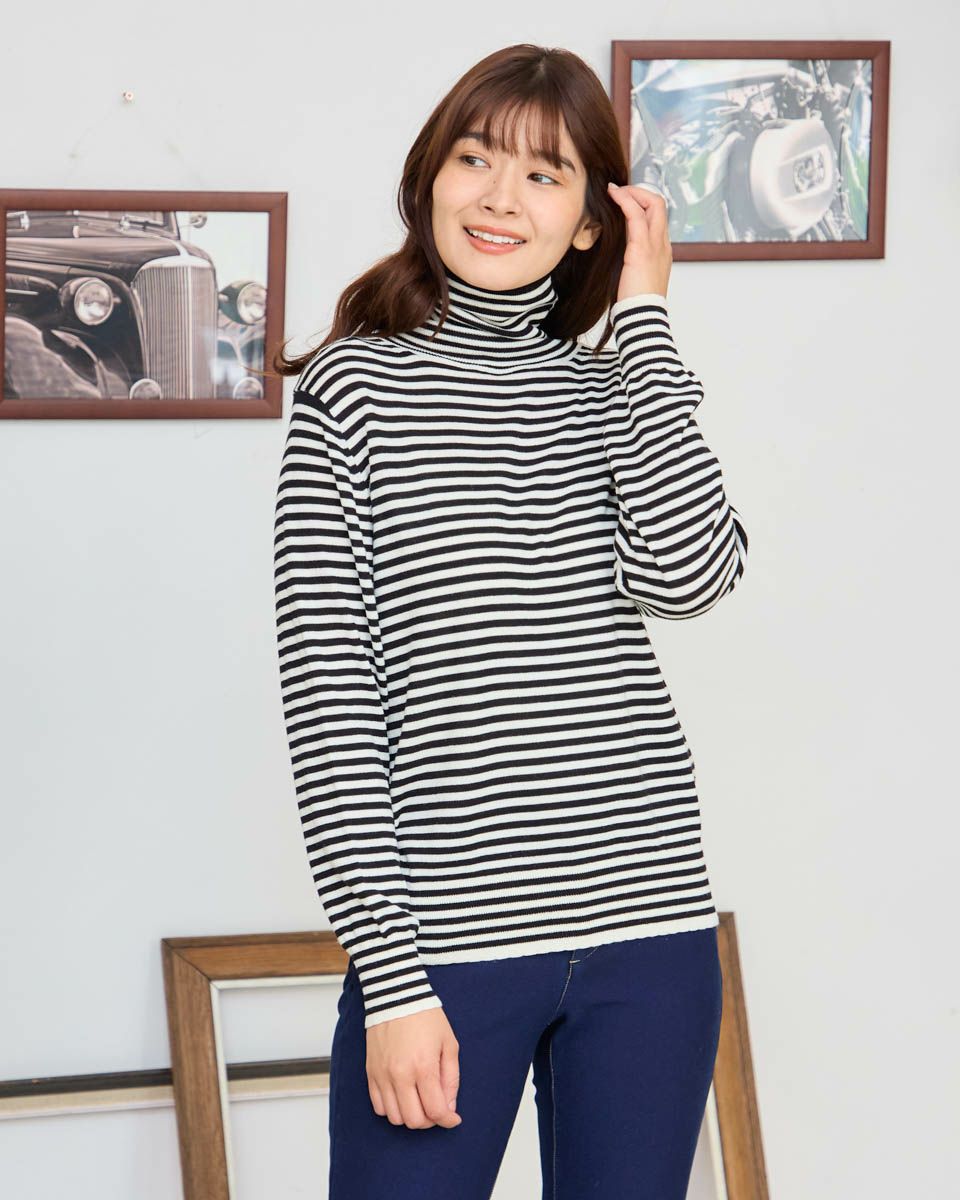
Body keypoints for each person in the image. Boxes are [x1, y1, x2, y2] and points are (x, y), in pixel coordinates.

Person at [272, 42, 748, 1200]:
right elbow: (332, 704)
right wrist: (391, 980)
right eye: (476, 159)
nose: (498, 198)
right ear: (430, 177)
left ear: (591, 222)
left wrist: (644, 322)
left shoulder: (613, 389)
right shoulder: (353, 391)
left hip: (650, 931)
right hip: (445, 950)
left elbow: (692, 575)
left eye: (544, 175)